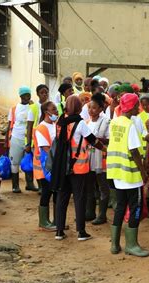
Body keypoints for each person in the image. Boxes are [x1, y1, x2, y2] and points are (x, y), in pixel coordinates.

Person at [51, 95, 105, 241]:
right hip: (78, 167)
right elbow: (93, 141)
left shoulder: (60, 122)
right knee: (79, 198)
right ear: (78, 108)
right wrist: (105, 149)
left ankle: (59, 231)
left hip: (63, 166)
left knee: (62, 198)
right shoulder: (80, 124)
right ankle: (81, 232)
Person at [106, 93, 149, 257]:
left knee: (119, 207)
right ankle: (131, 244)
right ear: (131, 107)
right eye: (136, 105)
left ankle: (115, 244)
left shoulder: (115, 122)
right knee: (135, 208)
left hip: (117, 173)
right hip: (131, 175)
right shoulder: (130, 125)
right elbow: (134, 151)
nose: (138, 108)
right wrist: (143, 172)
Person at [85, 93, 111, 225]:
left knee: (102, 187)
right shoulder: (88, 122)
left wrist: (94, 139)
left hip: (101, 158)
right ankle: (90, 212)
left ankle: (102, 215)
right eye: (89, 107)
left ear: (101, 108)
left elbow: (109, 139)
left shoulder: (106, 121)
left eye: (94, 108)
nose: (91, 110)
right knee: (89, 186)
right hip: (89, 158)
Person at [33, 101, 58, 231]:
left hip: (53, 165)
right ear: (46, 112)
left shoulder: (54, 125)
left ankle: (56, 220)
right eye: (53, 109)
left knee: (56, 192)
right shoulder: (41, 128)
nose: (56, 112)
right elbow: (46, 148)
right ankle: (44, 221)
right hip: (44, 167)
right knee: (47, 192)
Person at [5, 86, 34, 193]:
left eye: (29, 95)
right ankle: (15, 185)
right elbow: (9, 124)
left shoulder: (33, 107)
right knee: (15, 162)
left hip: (29, 138)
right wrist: (6, 140)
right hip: (16, 137)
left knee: (29, 161)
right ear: (21, 96)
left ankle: (30, 184)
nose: (28, 97)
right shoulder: (13, 109)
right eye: (26, 95)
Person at [26, 84, 50, 192]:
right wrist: (28, 143)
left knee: (47, 162)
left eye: (46, 92)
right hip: (37, 140)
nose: (44, 95)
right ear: (37, 94)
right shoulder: (34, 108)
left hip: (48, 139)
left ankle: (46, 185)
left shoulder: (51, 106)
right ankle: (41, 186)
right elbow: (29, 126)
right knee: (39, 164)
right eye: (42, 92)